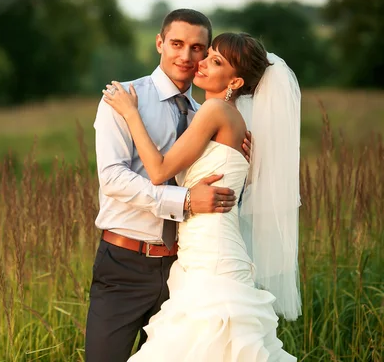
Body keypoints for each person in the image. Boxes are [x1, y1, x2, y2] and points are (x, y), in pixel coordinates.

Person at [102, 32, 301, 361]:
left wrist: (130, 113)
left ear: (234, 81)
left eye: (216, 61)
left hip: (213, 255)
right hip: (203, 251)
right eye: (207, 55)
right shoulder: (224, 117)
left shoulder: (214, 112)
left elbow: (158, 171)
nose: (202, 63)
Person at [85, 9, 252, 362]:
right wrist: (187, 200)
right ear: (160, 42)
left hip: (183, 267)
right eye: (176, 44)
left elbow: (222, 191)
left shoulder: (206, 113)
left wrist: (241, 164)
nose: (186, 56)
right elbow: (113, 179)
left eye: (198, 48)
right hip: (125, 263)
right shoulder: (124, 99)